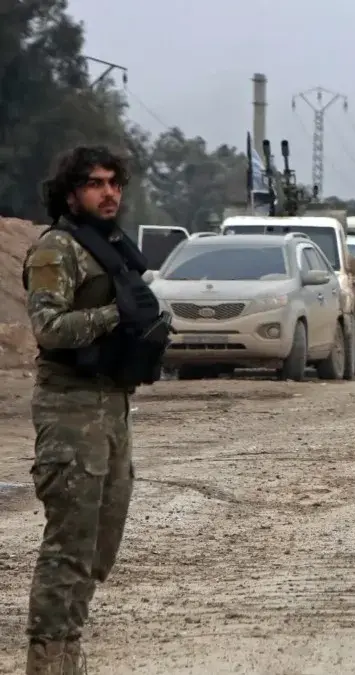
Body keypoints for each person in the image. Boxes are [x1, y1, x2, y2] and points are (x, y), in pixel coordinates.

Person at [23, 145, 172, 673]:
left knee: (101, 546)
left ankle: (71, 652)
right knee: (69, 545)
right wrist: (114, 315)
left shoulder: (109, 247)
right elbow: (47, 328)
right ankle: (48, 660)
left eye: (114, 183)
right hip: (70, 407)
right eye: (95, 183)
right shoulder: (57, 249)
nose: (109, 193)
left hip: (113, 405)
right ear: (71, 194)